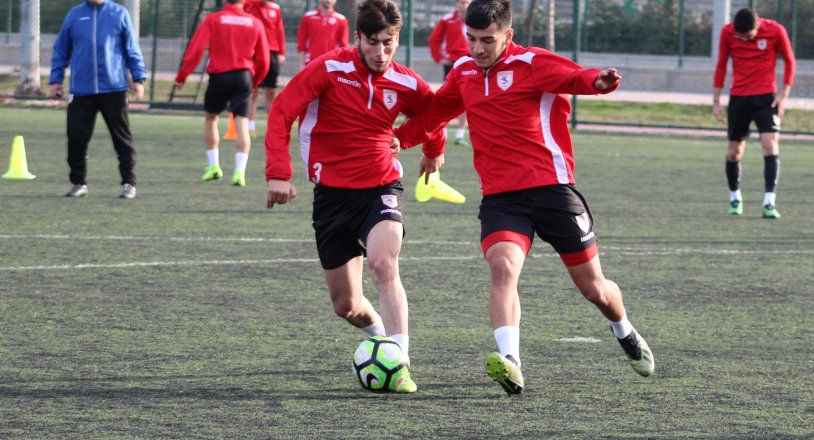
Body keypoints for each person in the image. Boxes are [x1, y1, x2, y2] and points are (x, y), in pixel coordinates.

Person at [394, 0, 655, 395]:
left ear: (508, 36)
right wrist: (395, 141)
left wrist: (600, 82)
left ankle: (625, 329)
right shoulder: (464, 72)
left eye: (487, 40)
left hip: (552, 191)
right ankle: (511, 362)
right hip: (502, 199)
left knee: (595, 290)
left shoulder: (532, 63)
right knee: (502, 268)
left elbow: (576, 76)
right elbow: (435, 114)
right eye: (471, 39)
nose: (477, 49)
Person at [265, 0, 445, 393]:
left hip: (381, 188)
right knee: (345, 306)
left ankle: (400, 361)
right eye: (374, 42)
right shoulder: (328, 70)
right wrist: (279, 174)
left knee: (383, 265)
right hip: (330, 198)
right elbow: (281, 112)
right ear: (358, 37)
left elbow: (432, 113)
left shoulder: (406, 81)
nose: (381, 53)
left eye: (390, 43)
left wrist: (433, 149)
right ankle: (380, 336)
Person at [49, 0, 146, 199]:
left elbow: (131, 49)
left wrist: (138, 78)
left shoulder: (119, 14)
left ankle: (129, 182)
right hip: (81, 90)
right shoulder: (74, 15)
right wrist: (56, 79)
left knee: (121, 138)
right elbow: (61, 49)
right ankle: (79, 182)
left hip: (114, 88)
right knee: (76, 138)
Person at [175, 0, 270, 187]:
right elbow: (264, 60)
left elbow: (196, 51)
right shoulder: (254, 22)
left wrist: (182, 76)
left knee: (211, 118)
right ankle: (239, 172)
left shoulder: (213, 19)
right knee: (241, 121)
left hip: (220, 76)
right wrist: (254, 81)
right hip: (244, 76)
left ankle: (214, 167)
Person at [713, 7, 795, 219]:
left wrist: (783, 96)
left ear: (757, 25)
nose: (743, 39)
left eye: (747, 35)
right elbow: (721, 64)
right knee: (734, 152)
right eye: (740, 36)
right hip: (739, 98)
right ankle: (735, 197)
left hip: (766, 98)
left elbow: (790, 61)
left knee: (770, 145)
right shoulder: (727, 32)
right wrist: (716, 100)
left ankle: (769, 202)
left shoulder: (775, 30)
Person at [428, 0, 471, 146]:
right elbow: (434, 39)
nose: (463, 5)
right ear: (456, 4)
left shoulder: (477, 19)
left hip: (469, 63)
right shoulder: (446, 19)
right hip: (451, 63)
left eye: (466, 2)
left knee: (466, 99)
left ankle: (460, 135)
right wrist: (439, 58)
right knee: (445, 98)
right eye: (460, 2)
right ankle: (442, 132)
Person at [244, 0, 287, 138]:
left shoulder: (276, 8)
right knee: (253, 89)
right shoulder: (250, 4)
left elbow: (279, 30)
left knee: (271, 90)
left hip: (272, 52)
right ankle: (250, 125)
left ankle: (272, 127)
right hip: (255, 51)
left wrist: (281, 52)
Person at [296, 0, 349, 67]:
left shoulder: (341, 20)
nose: (329, 0)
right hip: (310, 61)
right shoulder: (308, 17)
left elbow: (343, 46)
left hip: (332, 63)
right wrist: (301, 63)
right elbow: (301, 41)